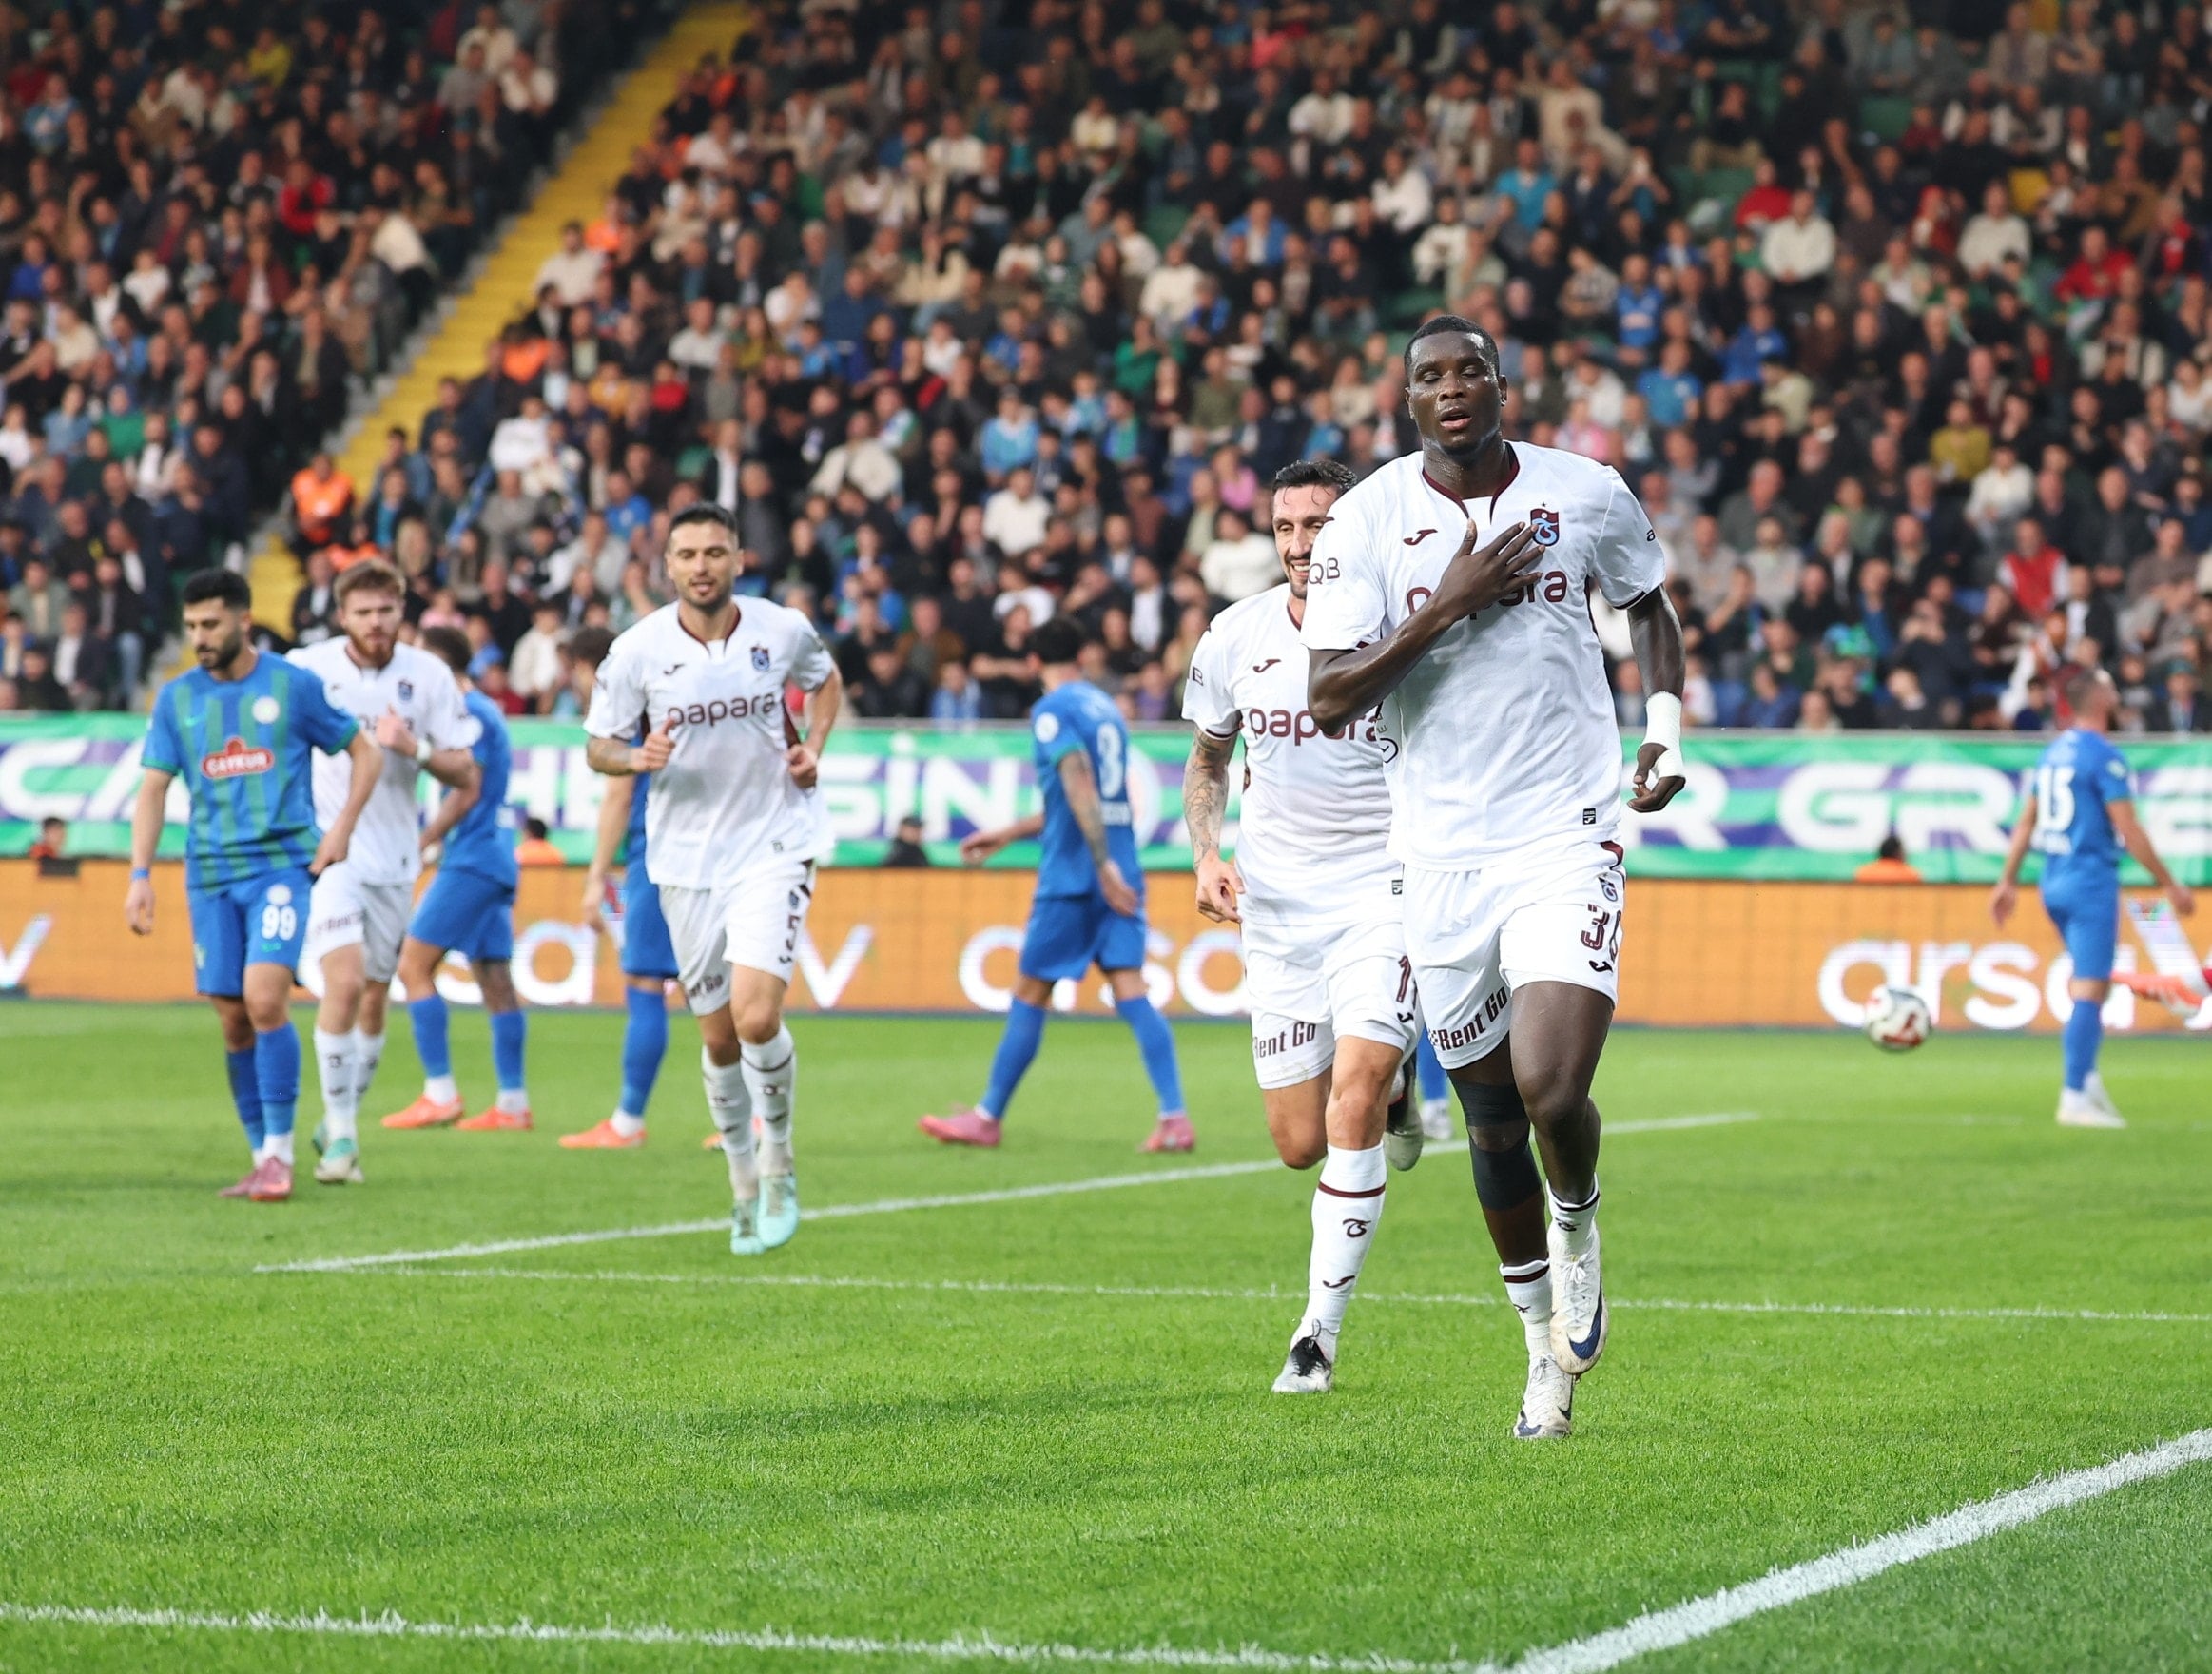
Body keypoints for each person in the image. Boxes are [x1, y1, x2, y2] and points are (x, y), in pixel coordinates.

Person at [1300, 316, 1688, 1440]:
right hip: (1436, 856)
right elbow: (1330, 697)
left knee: (1551, 1087)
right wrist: (1449, 602)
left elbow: (1648, 605)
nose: (1452, 387)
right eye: (1429, 376)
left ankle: (1580, 1222)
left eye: (1470, 368)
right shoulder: (1367, 521)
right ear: (1407, 400)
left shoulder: (1585, 490)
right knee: (1486, 1120)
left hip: (1565, 829)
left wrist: (1661, 730)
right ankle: (1539, 1357)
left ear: (1502, 386)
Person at [1180, 457, 1424, 1395]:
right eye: (1285, 527)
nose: (1298, 544)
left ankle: (1315, 1334)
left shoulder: (1398, 629)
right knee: (1298, 1141)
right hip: (1277, 909)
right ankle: (1398, 1082)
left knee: (1349, 1095)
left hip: (1382, 890)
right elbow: (1207, 756)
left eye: (1317, 524)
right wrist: (1207, 853)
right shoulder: (1234, 636)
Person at [584, 504, 844, 1254]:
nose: (702, 566)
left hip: (774, 842)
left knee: (758, 1016)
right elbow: (599, 744)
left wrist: (814, 745)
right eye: (688, 554)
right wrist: (635, 758)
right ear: (668, 566)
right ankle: (740, 1184)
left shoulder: (779, 629)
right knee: (720, 1036)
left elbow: (824, 682)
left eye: (715, 552)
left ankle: (779, 1162)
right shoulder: (635, 652)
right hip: (683, 862)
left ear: (739, 559)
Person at [125, 570, 381, 1201]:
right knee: (233, 1020)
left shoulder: (292, 687)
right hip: (208, 876)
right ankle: (259, 1152)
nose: (198, 637)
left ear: (243, 619)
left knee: (265, 999)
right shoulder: (176, 698)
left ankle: (279, 1157)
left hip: (277, 870)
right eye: (190, 627)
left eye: (210, 624)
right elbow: (153, 788)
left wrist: (340, 828)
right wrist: (139, 875)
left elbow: (366, 752)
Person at [920, 615, 1192, 1153]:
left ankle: (988, 1116)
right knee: (1130, 987)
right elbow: (1083, 798)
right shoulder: (1106, 709)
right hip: (1121, 866)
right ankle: (1174, 1117)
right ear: (1083, 656)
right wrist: (1009, 833)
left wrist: (1097, 865)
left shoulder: (1052, 711)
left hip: (1075, 875)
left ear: (1034, 663)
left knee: (1030, 990)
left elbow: (1076, 780)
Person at [288, 561, 479, 1185]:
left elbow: (465, 773)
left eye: (387, 610)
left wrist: (413, 749)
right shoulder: (308, 670)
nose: (377, 622)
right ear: (342, 615)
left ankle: (340, 1116)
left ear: (403, 612)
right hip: (330, 851)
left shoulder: (428, 678)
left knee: (375, 995)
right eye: (364, 611)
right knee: (342, 986)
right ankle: (342, 1139)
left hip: (395, 859)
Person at [1990, 667, 2196, 1128]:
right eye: (2111, 685)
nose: (2117, 690)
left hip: (2053, 880)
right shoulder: (2103, 756)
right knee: (2089, 986)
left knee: (2095, 985)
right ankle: (2074, 1095)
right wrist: (2168, 882)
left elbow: (2026, 822)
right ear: (2097, 700)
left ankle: (2087, 1076)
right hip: (2089, 881)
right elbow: (2128, 828)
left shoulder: (2052, 754)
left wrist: (2006, 880)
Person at [380, 626, 532, 1133]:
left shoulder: (472, 713)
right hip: (493, 854)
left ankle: (439, 1092)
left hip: (473, 858)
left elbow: (467, 791)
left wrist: (424, 841)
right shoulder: (483, 711)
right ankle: (513, 1105)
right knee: (494, 979)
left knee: (412, 967)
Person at [565, 624, 681, 1150]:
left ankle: (628, 1122)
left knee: (644, 983)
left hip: (658, 856)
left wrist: (595, 879)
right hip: (716, 854)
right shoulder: (670, 695)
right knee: (720, 990)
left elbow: (617, 798)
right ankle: (750, 1120)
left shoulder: (626, 708)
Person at [1854, 834, 1923, 884]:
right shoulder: (1910, 875)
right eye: (1903, 851)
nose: (1906, 854)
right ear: (1897, 853)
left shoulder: (1863, 873)